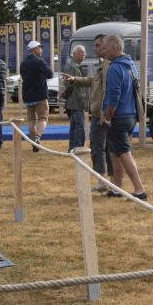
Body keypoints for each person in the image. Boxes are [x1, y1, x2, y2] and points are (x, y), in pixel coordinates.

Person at [101, 34, 147, 200]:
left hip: (118, 116)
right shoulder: (130, 65)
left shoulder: (115, 68)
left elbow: (114, 96)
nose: (103, 51)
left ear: (114, 48)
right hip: (130, 115)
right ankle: (116, 188)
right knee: (115, 152)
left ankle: (139, 190)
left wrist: (107, 116)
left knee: (124, 153)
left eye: (105, 48)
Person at [67, 34, 114, 191]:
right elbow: (94, 81)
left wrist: (103, 111)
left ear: (106, 46)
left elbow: (108, 90)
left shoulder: (109, 65)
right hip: (100, 112)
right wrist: (75, 80)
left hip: (101, 113)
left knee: (98, 147)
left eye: (97, 45)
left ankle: (104, 180)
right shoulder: (103, 64)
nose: (94, 49)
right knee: (104, 147)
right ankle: (109, 180)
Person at [20, 40, 53, 151]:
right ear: (35, 49)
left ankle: (33, 141)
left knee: (31, 120)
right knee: (43, 117)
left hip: (27, 95)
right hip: (40, 95)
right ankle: (37, 137)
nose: (41, 50)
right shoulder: (39, 61)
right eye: (40, 48)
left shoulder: (23, 63)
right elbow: (50, 74)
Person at [61, 45, 88, 151]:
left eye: (84, 52)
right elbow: (69, 85)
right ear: (74, 54)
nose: (83, 54)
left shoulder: (75, 66)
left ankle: (73, 147)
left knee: (75, 125)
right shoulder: (72, 67)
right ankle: (77, 147)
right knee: (79, 125)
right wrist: (66, 94)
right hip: (76, 100)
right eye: (81, 52)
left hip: (77, 100)